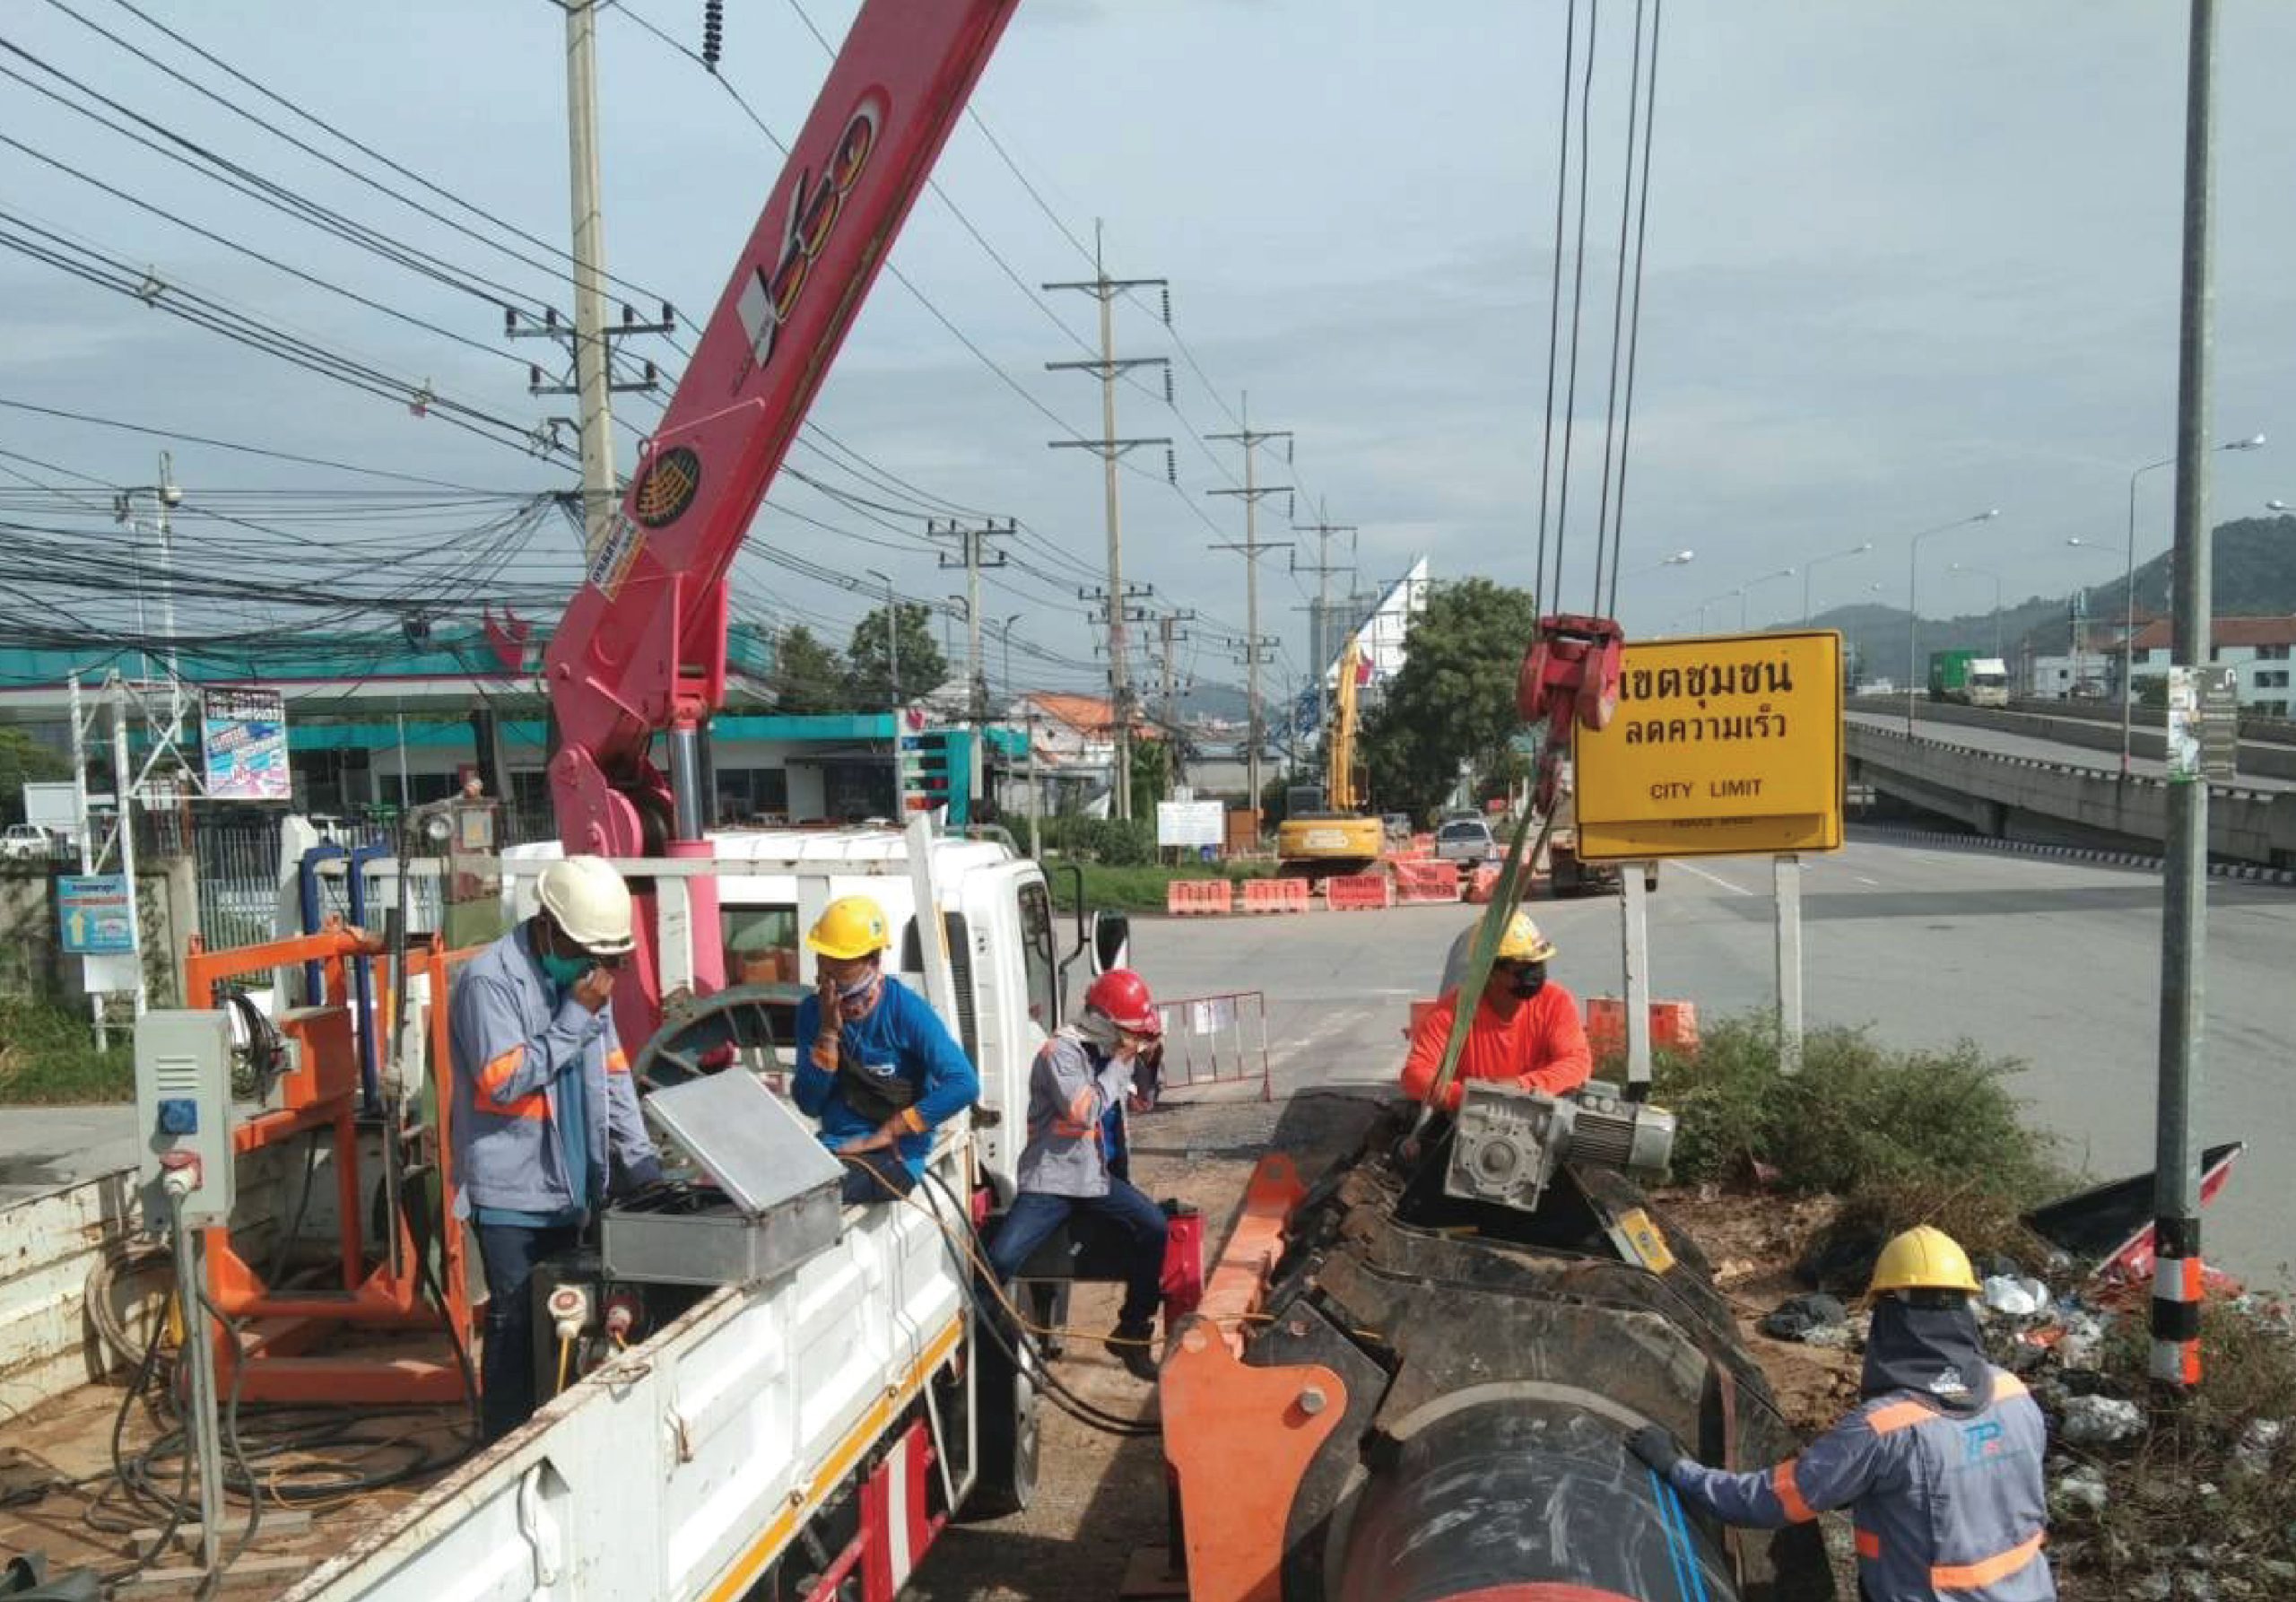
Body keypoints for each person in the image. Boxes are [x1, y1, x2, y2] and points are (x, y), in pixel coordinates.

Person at [1630, 1226, 2055, 1602]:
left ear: (1889, 1315)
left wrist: (1677, 1468)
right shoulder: (2014, 1394)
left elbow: (1765, 1503)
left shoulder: (1881, 1430)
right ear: (1965, 1308)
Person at [448, 855, 662, 1441]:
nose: (594, 966)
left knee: (572, 1322)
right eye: (583, 949)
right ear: (546, 925)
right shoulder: (488, 981)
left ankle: (566, 1440)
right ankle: (501, 1450)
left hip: (577, 1183)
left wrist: (637, 1157)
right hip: (513, 1193)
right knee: (517, 1325)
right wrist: (574, 1017)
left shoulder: (590, 981)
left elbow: (613, 1071)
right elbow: (503, 1079)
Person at [987, 970, 1172, 1382]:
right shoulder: (1061, 1053)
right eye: (1130, 1034)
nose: (1132, 1042)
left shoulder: (1110, 1054)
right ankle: (985, 1337)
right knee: (999, 1258)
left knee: (1154, 1229)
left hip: (1097, 1180)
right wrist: (1123, 1060)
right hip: (1052, 1182)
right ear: (1105, 1022)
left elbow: (1143, 1102)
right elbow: (1085, 1110)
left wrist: (1148, 1062)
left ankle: (1132, 1331)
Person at [791, 895, 980, 1204]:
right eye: (822, 960)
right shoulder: (813, 1013)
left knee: (817, 1200)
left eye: (841, 962)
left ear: (874, 962)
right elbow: (810, 1104)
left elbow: (964, 1084)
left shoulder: (905, 1010)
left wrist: (891, 1131)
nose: (827, 971)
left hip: (894, 1156)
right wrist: (827, 1034)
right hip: (835, 1148)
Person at [1398, 911, 1592, 1110]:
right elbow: (1415, 1075)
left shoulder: (1555, 1002)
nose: (1533, 974)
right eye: (1522, 967)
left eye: (1537, 963)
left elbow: (1577, 1063)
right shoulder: (1452, 1014)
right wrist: (1473, 1097)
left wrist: (1520, 1087)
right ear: (1489, 971)